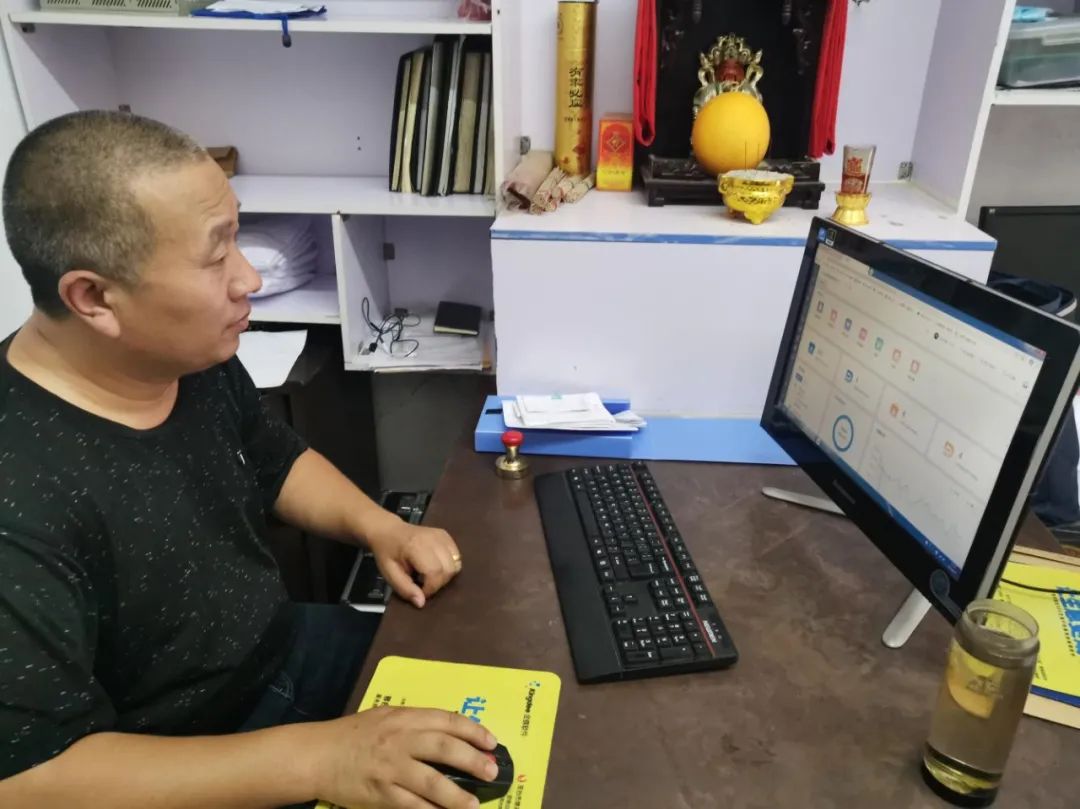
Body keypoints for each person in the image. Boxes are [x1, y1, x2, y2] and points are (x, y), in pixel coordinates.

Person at [0, 110, 497, 809]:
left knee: (498, 678)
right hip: (179, 763)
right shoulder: (20, 495)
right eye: (216, 257)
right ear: (93, 297)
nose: (250, 280)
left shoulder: (184, 352)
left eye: (239, 238)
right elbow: (29, 777)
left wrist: (382, 527)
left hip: (281, 651)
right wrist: (323, 758)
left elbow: (272, 458)